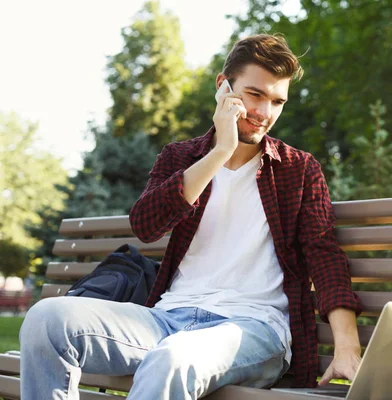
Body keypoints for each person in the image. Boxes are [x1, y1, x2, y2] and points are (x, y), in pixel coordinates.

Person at [19, 33, 362, 400]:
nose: (265, 113)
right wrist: (220, 153)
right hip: (167, 319)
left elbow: (325, 257)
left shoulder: (299, 170)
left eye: (277, 101)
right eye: (254, 95)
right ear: (223, 87)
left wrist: (347, 347)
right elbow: (146, 225)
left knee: (172, 359)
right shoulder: (180, 158)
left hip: (254, 328)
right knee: (46, 320)